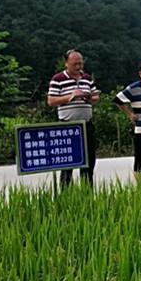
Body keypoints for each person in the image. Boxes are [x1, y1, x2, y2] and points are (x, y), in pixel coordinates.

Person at [47, 49, 100, 187]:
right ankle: (65, 196)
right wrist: (70, 97)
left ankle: (87, 195)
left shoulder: (87, 78)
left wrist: (88, 98)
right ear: (66, 63)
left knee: (89, 163)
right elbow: (51, 101)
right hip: (67, 126)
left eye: (80, 63)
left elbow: (96, 97)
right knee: (67, 165)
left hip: (87, 125)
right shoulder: (57, 79)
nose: (78, 67)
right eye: (75, 64)